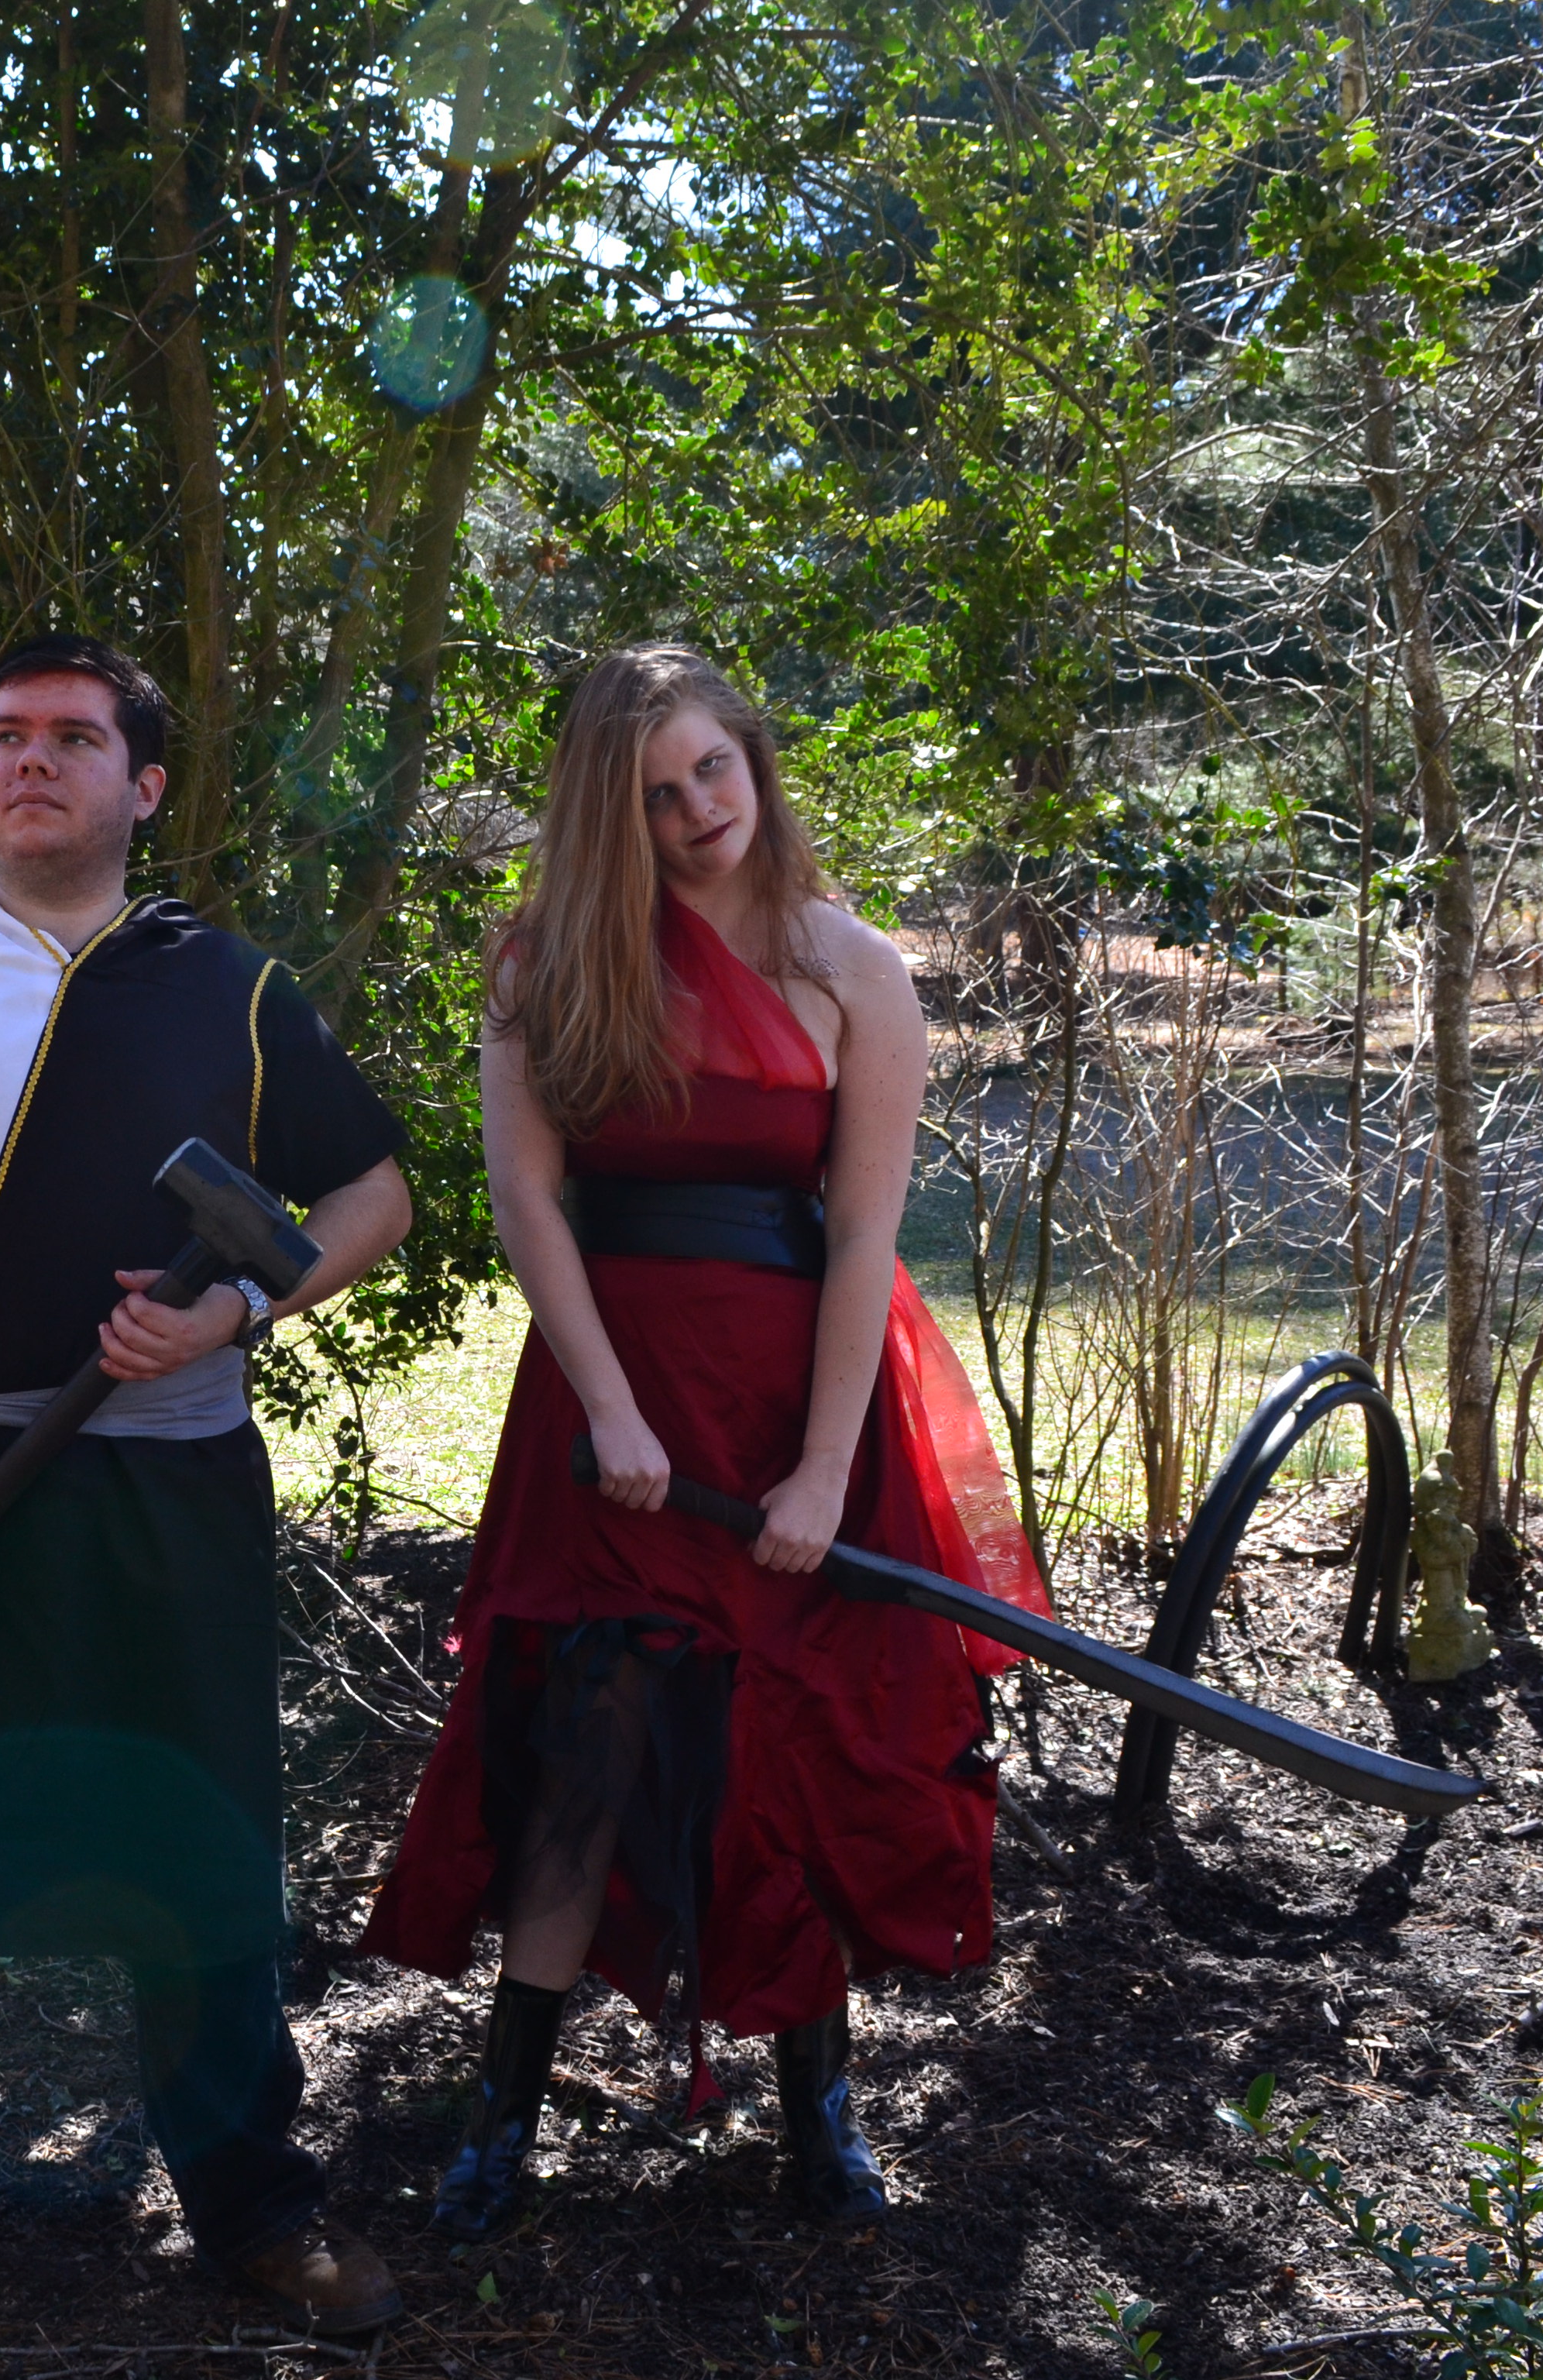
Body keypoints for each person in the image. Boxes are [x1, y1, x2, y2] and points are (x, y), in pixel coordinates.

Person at [0, 634, 417, 2344]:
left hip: (167, 1502)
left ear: (146, 785)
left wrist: (236, 1311)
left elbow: (374, 1198)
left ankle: (257, 2207)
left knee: (197, 1850)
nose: (29, 760)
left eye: (74, 738)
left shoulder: (230, 990)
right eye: (5, 735)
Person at [356, 644, 1050, 2238]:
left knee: (789, 1736)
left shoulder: (853, 970)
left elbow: (863, 1231)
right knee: (584, 1738)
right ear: (614, 815)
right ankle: (501, 2119)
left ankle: (822, 2116)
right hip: (608, 1403)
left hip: (795, 1402)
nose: (694, 811)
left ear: (753, 755)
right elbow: (530, 1199)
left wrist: (822, 1469)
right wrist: (609, 1405)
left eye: (710, 769)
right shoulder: (548, 961)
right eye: (656, 794)